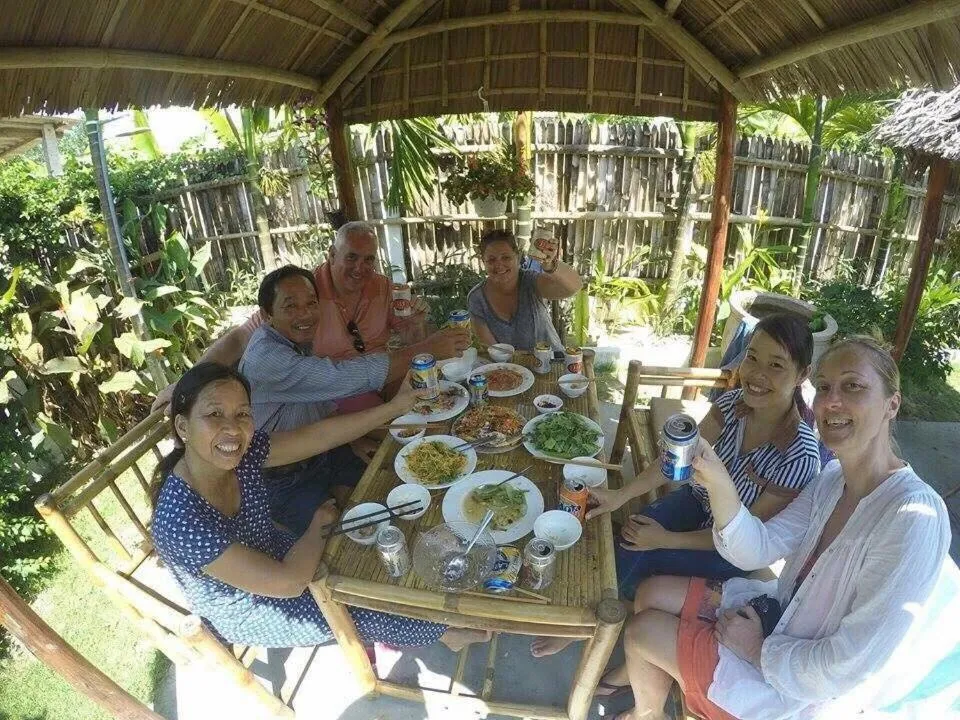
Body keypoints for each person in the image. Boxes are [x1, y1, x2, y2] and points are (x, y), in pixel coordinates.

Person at [603, 336, 959, 720]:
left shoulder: (912, 517)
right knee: (651, 591)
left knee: (641, 631)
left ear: (892, 404)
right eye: (824, 387)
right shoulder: (831, 479)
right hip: (782, 614)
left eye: (853, 386)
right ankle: (654, 681)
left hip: (801, 692)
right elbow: (759, 547)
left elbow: (848, 666)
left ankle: (647, 712)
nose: (831, 401)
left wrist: (757, 650)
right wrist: (720, 484)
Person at [531, 313, 821, 658]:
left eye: (776, 365)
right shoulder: (732, 404)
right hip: (698, 502)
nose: (757, 374)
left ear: (802, 375)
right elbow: (674, 460)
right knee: (633, 535)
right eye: (752, 357)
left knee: (651, 555)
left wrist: (665, 539)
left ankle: (595, 623)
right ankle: (600, 613)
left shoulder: (800, 456)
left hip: (733, 550)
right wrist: (620, 495)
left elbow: (743, 538)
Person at [151, 361, 489, 652]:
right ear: (182, 426)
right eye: (214, 414)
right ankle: (444, 632)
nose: (232, 428)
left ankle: (434, 621)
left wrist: (394, 408)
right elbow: (289, 584)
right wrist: (318, 525)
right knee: (366, 608)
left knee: (376, 551)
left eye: (242, 414)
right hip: (254, 605)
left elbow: (319, 435)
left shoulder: (242, 452)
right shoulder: (181, 520)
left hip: (275, 550)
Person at [150, 222, 470, 413]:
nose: (360, 268)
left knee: (435, 400)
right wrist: (186, 383)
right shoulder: (302, 293)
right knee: (401, 422)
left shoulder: (384, 287)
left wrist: (416, 325)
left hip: (385, 375)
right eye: (351, 257)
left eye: (369, 260)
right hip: (335, 392)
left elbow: (412, 340)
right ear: (331, 255)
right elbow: (237, 339)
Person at [238, 265, 378, 535]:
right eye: (290, 306)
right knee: (339, 535)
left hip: (320, 453)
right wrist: (417, 356)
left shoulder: (293, 341)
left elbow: (318, 401)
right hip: (281, 477)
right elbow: (338, 379)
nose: (305, 314)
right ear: (267, 315)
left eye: (311, 303)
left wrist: (353, 440)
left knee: (378, 486)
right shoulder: (267, 357)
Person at [467, 229, 581, 352]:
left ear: (517, 256)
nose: (499, 265)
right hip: (506, 363)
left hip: (553, 359)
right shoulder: (477, 298)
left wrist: (551, 265)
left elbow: (574, 287)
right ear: (483, 262)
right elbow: (492, 349)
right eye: (491, 260)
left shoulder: (531, 281)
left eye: (506, 257)